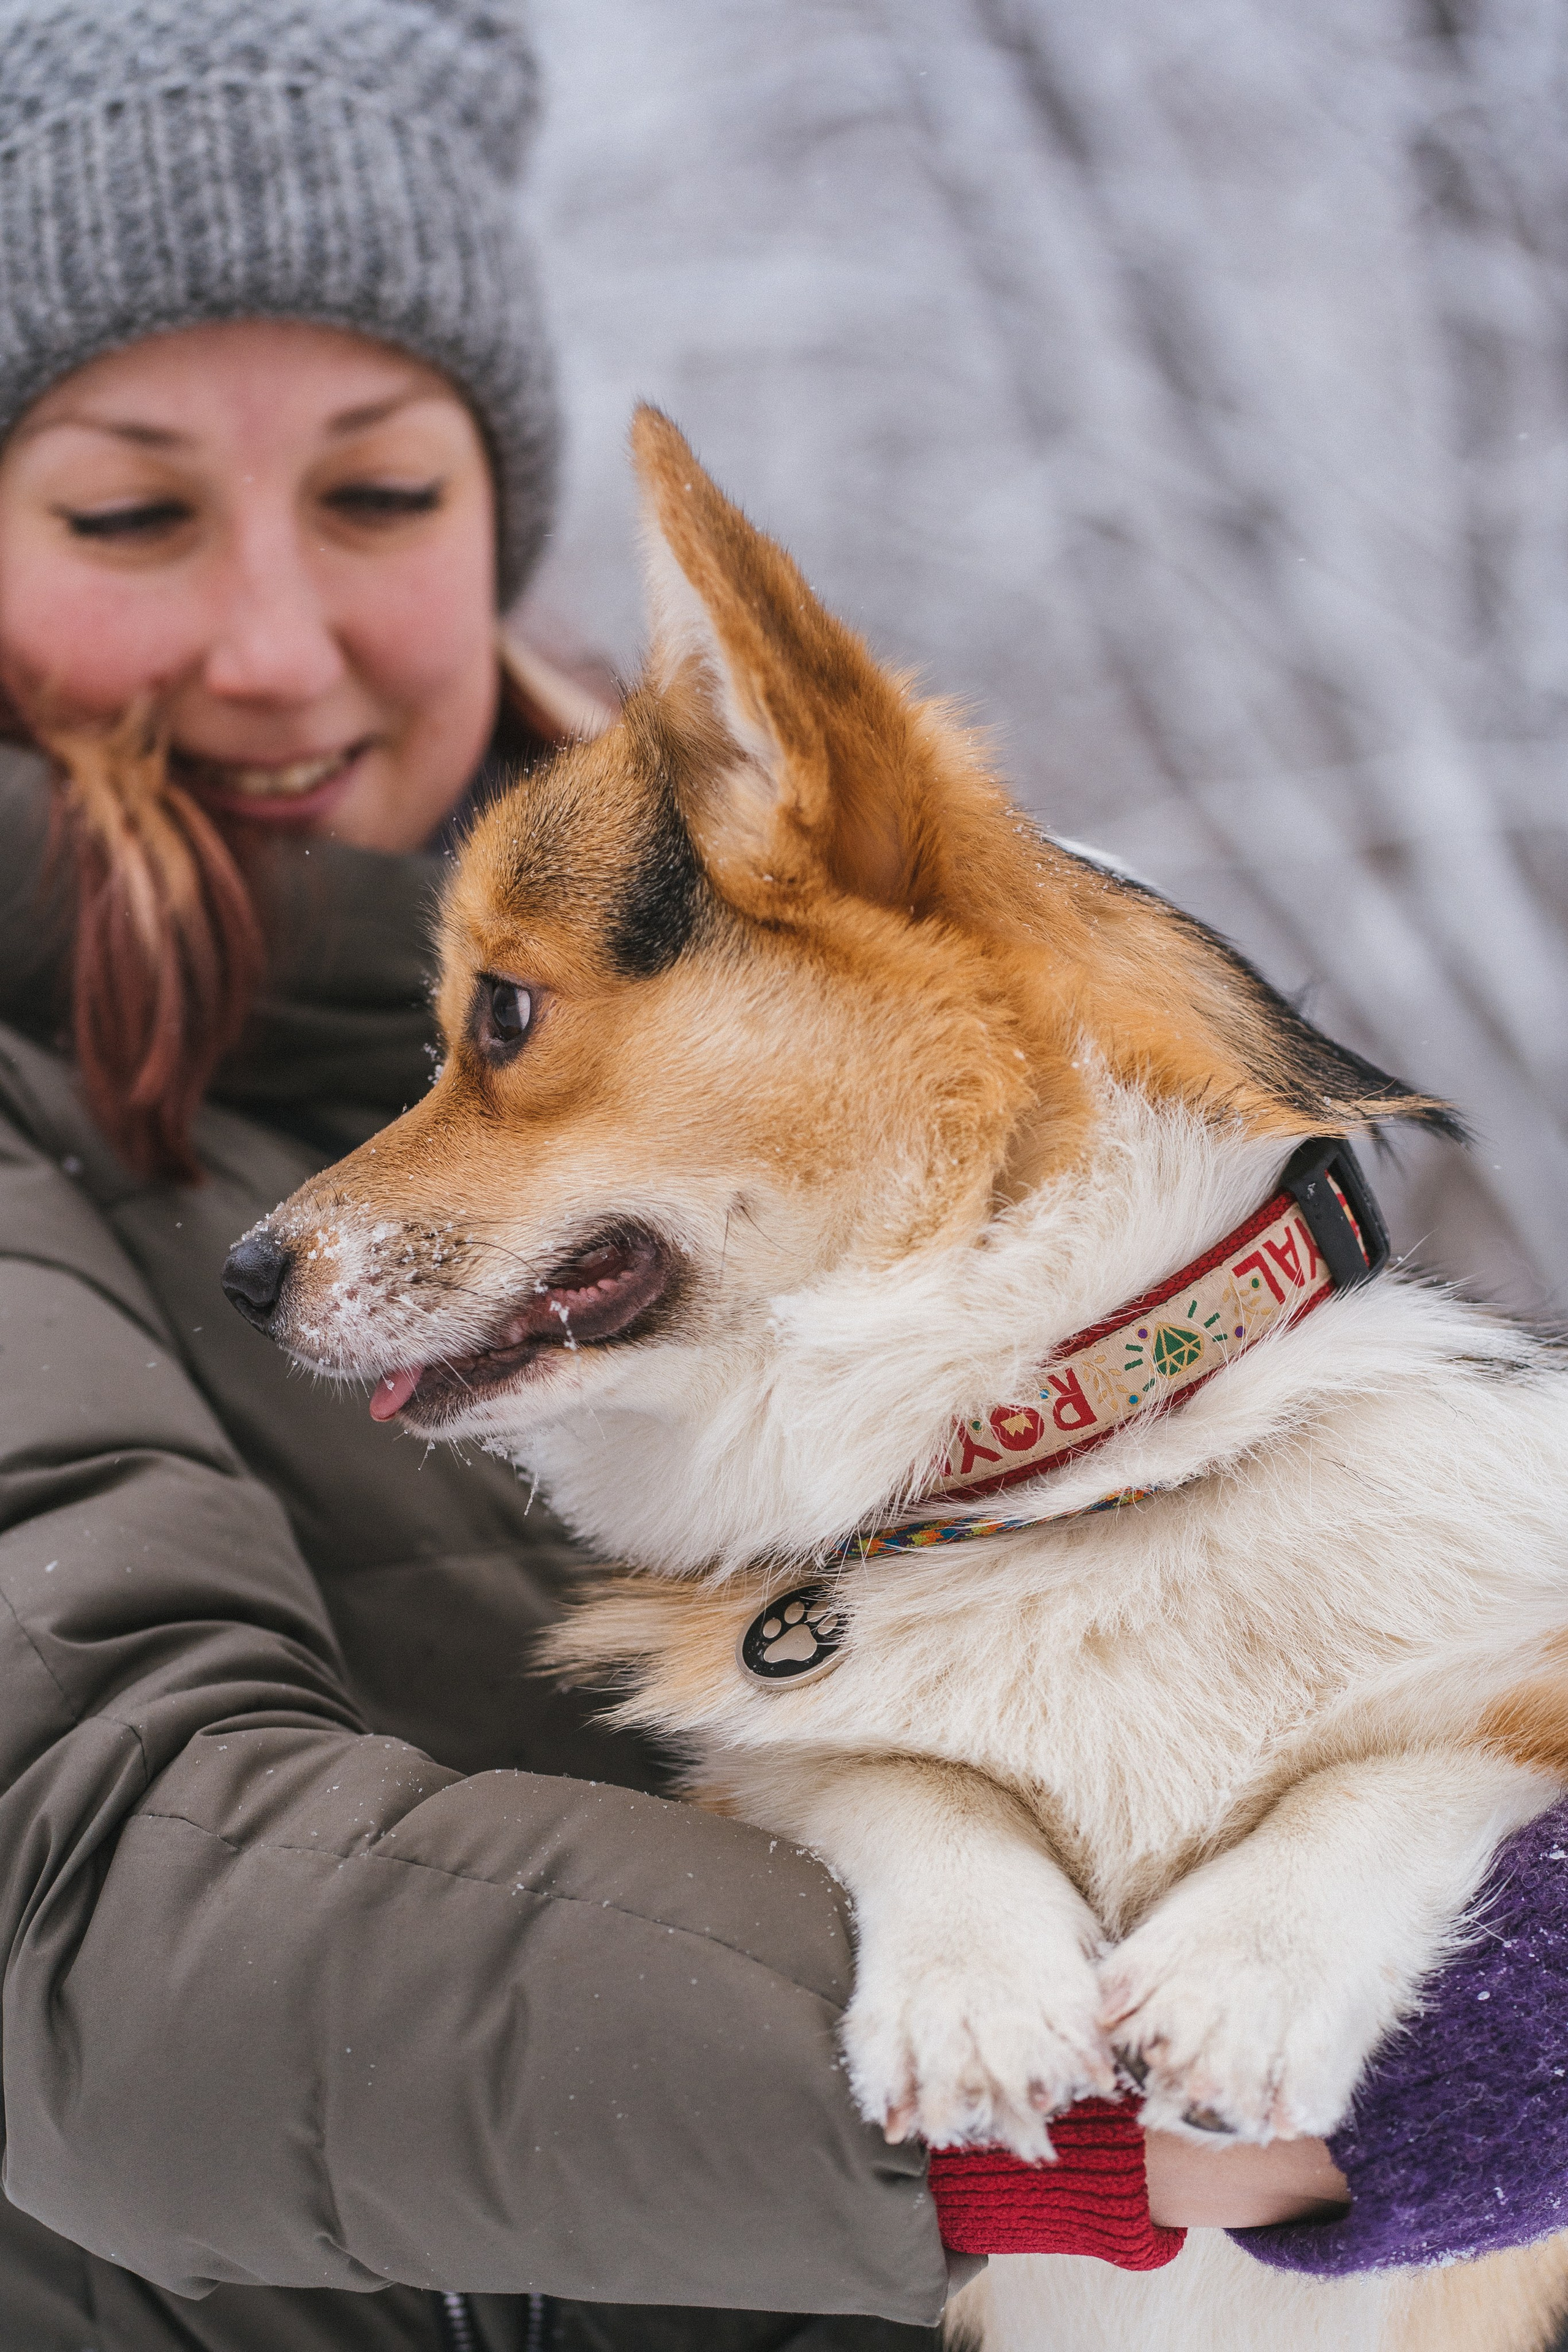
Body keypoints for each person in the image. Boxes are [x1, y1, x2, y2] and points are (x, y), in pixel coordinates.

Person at [1, 7, 1566, 2352]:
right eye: (126, 509)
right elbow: (98, 1931)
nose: (274, 639)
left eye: (381, 493)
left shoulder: (905, 1037)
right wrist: (1192, 2115)